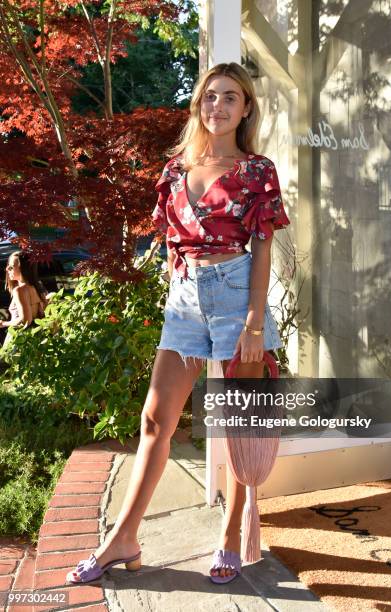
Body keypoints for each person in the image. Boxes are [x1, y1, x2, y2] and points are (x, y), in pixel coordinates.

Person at [66, 61, 290, 585]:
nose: (219, 106)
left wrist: (254, 321)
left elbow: (262, 249)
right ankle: (123, 537)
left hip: (238, 296)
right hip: (186, 298)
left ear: (246, 107)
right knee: (154, 419)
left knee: (237, 427)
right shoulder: (173, 171)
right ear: (198, 104)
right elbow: (169, 243)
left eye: (230, 97)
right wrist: (179, 293)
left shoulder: (258, 170)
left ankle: (231, 534)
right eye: (210, 96)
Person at [0, 251, 47, 347]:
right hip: (36, 341)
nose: (7, 269)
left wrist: (4, 323)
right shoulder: (37, 287)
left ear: (23, 268)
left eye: (11, 266)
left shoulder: (19, 291)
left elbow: (25, 321)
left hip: (19, 341)